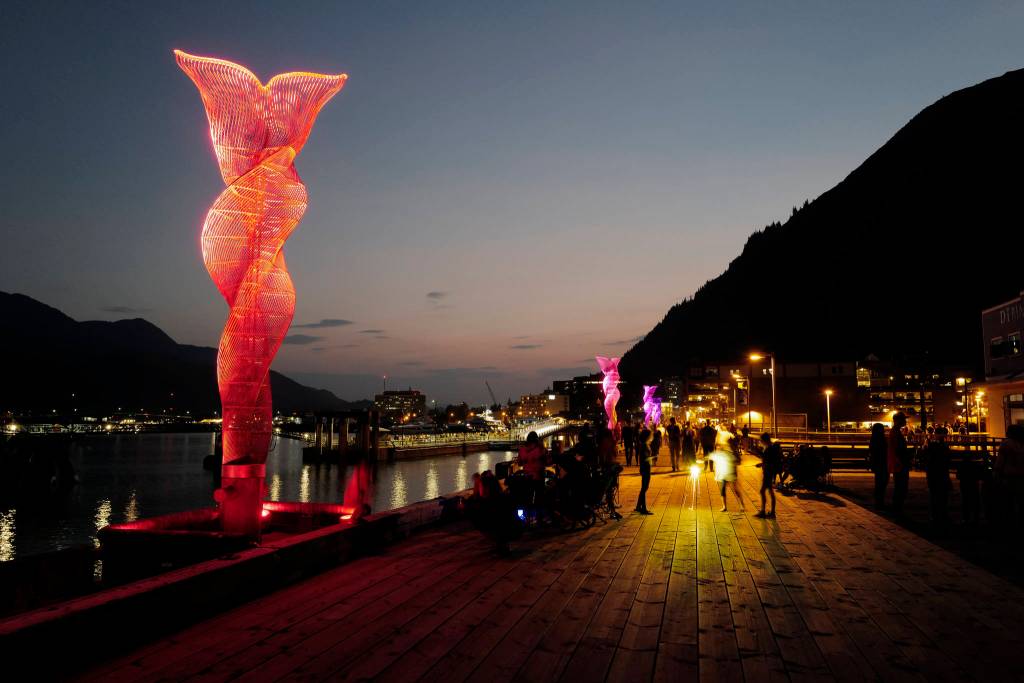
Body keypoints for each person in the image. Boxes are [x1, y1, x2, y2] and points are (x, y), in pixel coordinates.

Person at [922, 426, 952, 529]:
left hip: (933, 472)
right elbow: (947, 460)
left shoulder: (930, 444)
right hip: (942, 473)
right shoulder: (944, 446)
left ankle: (935, 515)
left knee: (934, 494)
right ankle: (942, 514)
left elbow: (925, 454)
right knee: (942, 495)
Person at [995, 424, 1024, 526]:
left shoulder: (1006, 444)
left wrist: (997, 473)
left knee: (1008, 502)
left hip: (1009, 478)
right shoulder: (1021, 444)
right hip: (1021, 477)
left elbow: (1000, 463)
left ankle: (1009, 524)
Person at [516, 431, 548, 522]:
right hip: (538, 476)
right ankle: (539, 518)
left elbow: (519, 463)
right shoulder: (541, 449)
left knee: (527, 498)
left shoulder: (522, 449)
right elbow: (547, 461)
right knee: (539, 497)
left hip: (527, 477)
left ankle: (526, 518)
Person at [712, 431, 744, 512]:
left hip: (730, 471)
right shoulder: (719, 452)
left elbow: (737, 461)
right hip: (722, 472)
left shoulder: (730, 451)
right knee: (722, 489)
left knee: (735, 489)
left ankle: (741, 504)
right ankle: (724, 506)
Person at [597, 425, 623, 520]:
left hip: (607, 467)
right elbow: (615, 454)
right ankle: (612, 510)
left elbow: (602, 456)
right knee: (610, 491)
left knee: (607, 490)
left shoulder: (603, 443)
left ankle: (611, 510)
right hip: (612, 467)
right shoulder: (612, 442)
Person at [888, 412, 911, 514]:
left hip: (898, 463)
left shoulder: (895, 431)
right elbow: (898, 449)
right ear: (898, 420)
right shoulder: (896, 432)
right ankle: (897, 509)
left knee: (900, 487)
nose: (905, 421)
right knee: (901, 487)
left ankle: (897, 508)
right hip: (900, 464)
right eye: (903, 419)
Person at [755, 432, 780, 518]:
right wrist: (761, 464)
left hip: (768, 472)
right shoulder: (770, 448)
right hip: (769, 471)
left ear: (764, 440)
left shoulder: (769, 448)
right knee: (769, 491)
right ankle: (771, 512)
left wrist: (759, 452)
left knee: (763, 491)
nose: (760, 442)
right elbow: (768, 460)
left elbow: (767, 460)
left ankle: (764, 511)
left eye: (761, 440)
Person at [868, 423, 888, 508]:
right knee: (882, 483)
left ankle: (879, 501)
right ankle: (879, 501)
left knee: (879, 483)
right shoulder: (881, 439)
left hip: (877, 464)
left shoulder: (873, 438)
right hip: (882, 463)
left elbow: (872, 452)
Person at [635, 423, 653, 514]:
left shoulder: (643, 444)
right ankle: (643, 508)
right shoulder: (644, 446)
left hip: (644, 468)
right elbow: (645, 458)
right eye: (650, 435)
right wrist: (651, 458)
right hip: (646, 468)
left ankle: (638, 506)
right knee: (644, 488)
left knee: (644, 487)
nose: (651, 437)